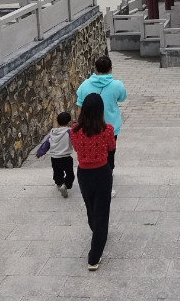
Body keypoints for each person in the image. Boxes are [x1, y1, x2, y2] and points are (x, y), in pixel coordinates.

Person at [70, 93, 116, 271]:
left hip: (84, 173)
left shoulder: (75, 131)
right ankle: (94, 257)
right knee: (102, 213)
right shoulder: (107, 129)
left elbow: (76, 148)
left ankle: (96, 231)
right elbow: (112, 147)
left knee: (90, 207)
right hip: (102, 172)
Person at [76, 55, 127, 172]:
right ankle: (108, 172)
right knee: (110, 151)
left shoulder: (85, 85)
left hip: (89, 125)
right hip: (111, 125)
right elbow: (122, 97)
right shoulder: (117, 85)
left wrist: (80, 124)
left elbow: (80, 106)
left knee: (92, 150)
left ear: (95, 68)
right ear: (110, 69)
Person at [35, 111, 75, 198]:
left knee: (57, 173)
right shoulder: (69, 132)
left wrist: (40, 152)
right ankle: (66, 185)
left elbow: (47, 143)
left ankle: (59, 183)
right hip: (66, 157)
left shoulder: (52, 132)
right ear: (69, 122)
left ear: (57, 122)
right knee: (70, 174)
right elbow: (75, 142)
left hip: (55, 158)